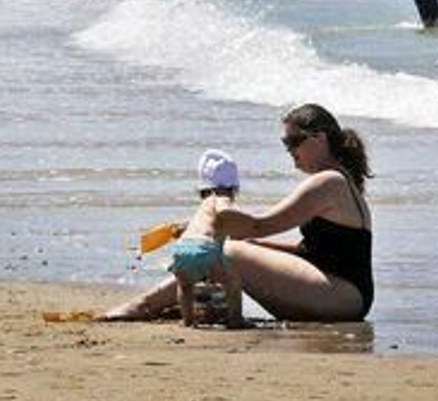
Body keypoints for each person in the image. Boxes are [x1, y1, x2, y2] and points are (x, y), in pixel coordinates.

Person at [103, 104, 375, 324]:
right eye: (285, 144)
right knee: (240, 247)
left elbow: (259, 225)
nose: (290, 151)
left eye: (294, 141)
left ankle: (143, 305)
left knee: (230, 252)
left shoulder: (328, 182)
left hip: (342, 298)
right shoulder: (338, 181)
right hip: (344, 296)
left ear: (320, 137)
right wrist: (246, 242)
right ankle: (195, 304)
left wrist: (203, 226)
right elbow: (312, 251)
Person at [169, 150, 250, 328]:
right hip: (205, 248)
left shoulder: (202, 208)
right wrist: (245, 222)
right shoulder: (220, 199)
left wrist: (178, 230)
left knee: (185, 286)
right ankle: (236, 320)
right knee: (232, 283)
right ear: (233, 188)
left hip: (181, 249)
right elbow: (224, 211)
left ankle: (188, 321)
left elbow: (187, 228)